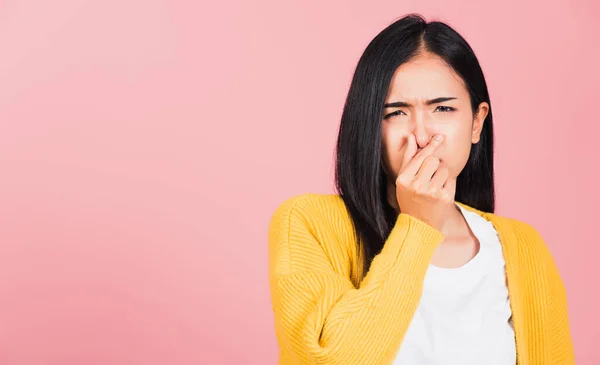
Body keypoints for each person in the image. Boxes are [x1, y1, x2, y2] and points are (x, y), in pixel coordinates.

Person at [267, 14, 574, 365]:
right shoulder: (307, 223)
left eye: (443, 108)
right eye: (396, 113)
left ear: (477, 122)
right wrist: (418, 227)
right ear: (369, 125)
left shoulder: (523, 247)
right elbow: (332, 358)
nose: (422, 135)